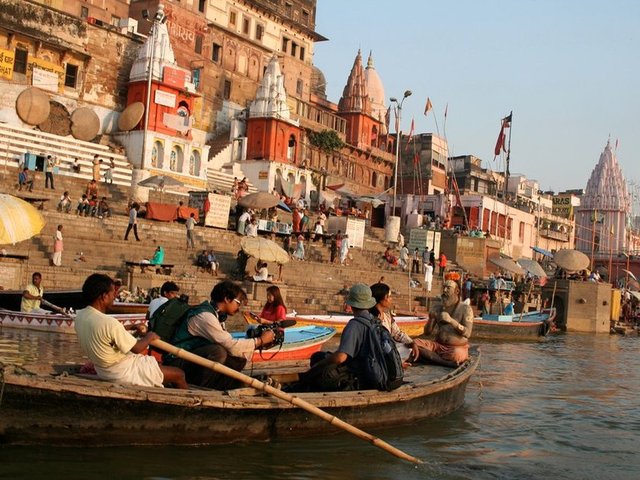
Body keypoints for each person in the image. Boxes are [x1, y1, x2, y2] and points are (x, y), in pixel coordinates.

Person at [74, 273, 187, 389]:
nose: (115, 296)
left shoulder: (80, 316)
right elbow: (137, 348)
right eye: (113, 292)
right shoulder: (109, 323)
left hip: (104, 371)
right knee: (179, 375)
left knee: (161, 368)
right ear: (104, 296)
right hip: (124, 372)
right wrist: (150, 336)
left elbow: (106, 333)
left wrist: (132, 327)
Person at [164, 281, 275, 390]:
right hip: (176, 362)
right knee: (218, 351)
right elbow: (231, 345)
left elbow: (228, 342)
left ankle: (220, 385)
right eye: (238, 303)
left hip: (189, 359)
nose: (239, 308)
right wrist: (260, 340)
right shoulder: (206, 316)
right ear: (227, 299)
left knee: (237, 360)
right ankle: (203, 388)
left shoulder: (214, 314)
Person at [296, 284, 386, 391]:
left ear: (352, 305)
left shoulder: (355, 325)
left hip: (358, 376)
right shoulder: (376, 321)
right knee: (323, 357)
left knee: (318, 358)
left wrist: (321, 364)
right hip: (373, 372)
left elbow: (340, 358)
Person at [414, 280, 473, 367]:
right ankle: (443, 362)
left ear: (457, 291)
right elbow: (427, 333)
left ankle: (431, 357)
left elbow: (468, 334)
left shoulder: (466, 309)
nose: (444, 290)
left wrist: (451, 321)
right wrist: (431, 319)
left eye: (448, 288)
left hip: (455, 348)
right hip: (437, 346)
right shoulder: (437, 307)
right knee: (414, 343)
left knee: (456, 354)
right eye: (443, 288)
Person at [369, 283, 419, 364]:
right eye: (389, 296)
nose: (391, 299)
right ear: (382, 299)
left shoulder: (387, 316)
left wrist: (412, 343)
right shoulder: (370, 317)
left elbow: (398, 333)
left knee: (408, 349)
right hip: (376, 354)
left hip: (387, 350)